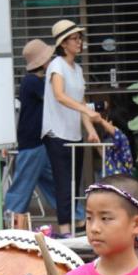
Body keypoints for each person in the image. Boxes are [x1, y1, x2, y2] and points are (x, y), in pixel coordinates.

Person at [44, 19, 102, 238]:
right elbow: (60, 95)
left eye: (80, 38)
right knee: (63, 181)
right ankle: (65, 229)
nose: (79, 42)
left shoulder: (77, 69)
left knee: (75, 182)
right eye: (74, 39)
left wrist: (90, 129)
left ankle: (74, 225)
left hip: (74, 132)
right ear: (63, 43)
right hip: (56, 133)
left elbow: (80, 101)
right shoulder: (56, 65)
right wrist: (87, 112)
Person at [5, 38, 58, 230]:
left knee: (54, 182)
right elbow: (56, 98)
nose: (52, 60)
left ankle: (74, 216)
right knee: (23, 185)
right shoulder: (32, 82)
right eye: (50, 57)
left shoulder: (34, 81)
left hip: (39, 142)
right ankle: (10, 224)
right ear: (43, 62)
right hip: (32, 142)